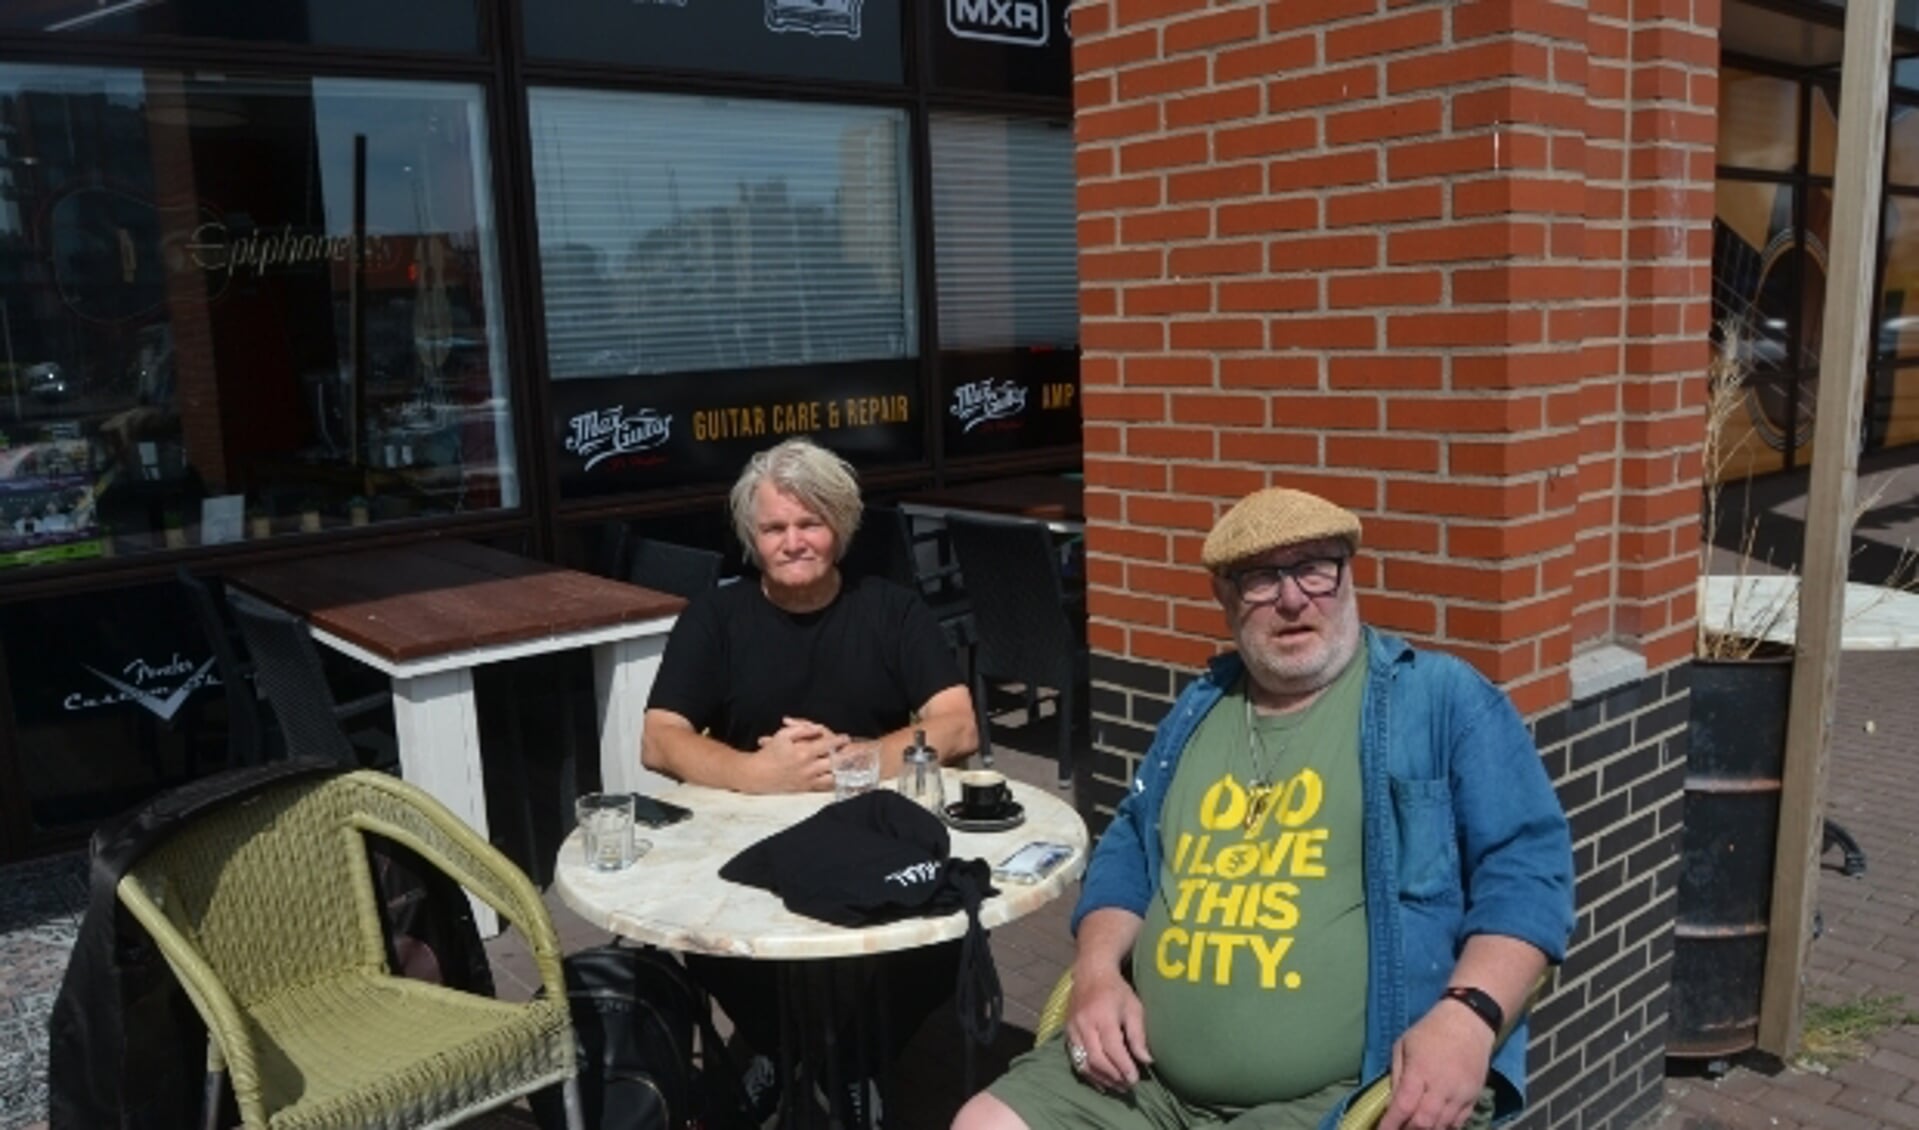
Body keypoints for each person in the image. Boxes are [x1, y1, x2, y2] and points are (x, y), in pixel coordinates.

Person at [954, 487, 1575, 1130]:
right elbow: (1131, 847)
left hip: (1342, 1096)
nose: (1292, 596)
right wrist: (1095, 969)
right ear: (1226, 599)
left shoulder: (1441, 702)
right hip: (1140, 1081)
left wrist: (1469, 1015)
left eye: (1315, 566)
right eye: (1260, 577)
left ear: (1348, 573)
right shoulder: (1200, 708)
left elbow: (1529, 871)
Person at [641, 435, 980, 1120]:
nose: (793, 541)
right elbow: (658, 738)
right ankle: (776, 1042)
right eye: (774, 527)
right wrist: (757, 772)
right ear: (751, 536)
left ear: (840, 527)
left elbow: (958, 726)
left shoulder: (891, 609)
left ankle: (854, 1061)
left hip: (871, 829)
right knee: (684, 923)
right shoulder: (717, 613)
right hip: (746, 834)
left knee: (951, 928)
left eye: (810, 522)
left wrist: (853, 759)